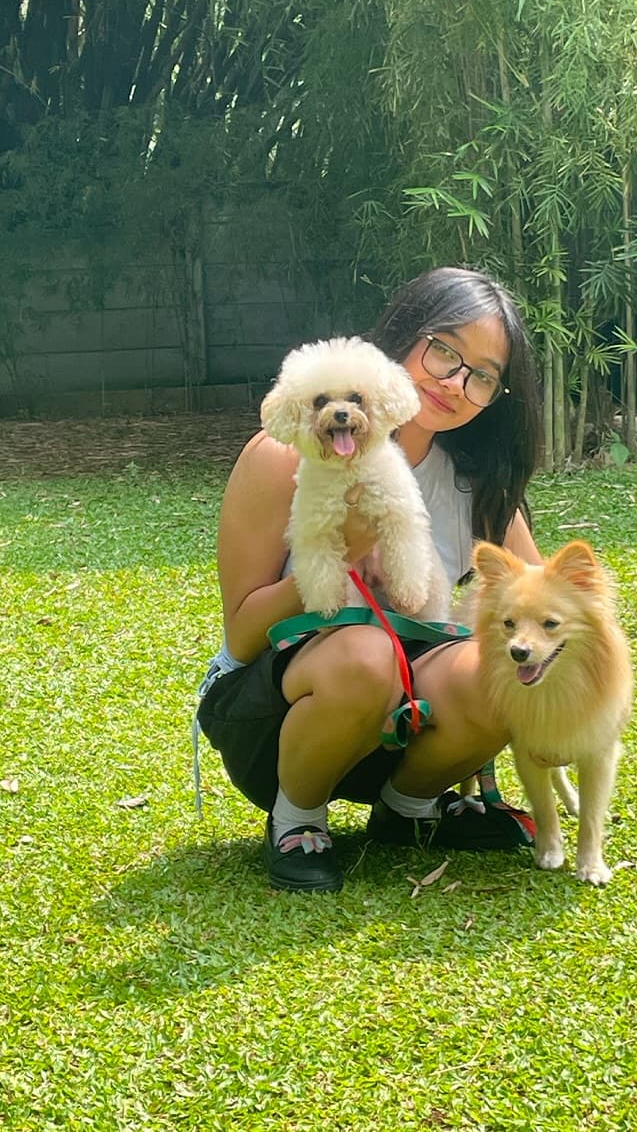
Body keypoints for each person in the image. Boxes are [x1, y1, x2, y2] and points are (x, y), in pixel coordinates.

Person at [196, 266, 544, 891]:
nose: (456, 383)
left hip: (406, 727)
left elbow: (544, 604)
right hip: (276, 722)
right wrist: (345, 550)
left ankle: (409, 810)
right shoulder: (281, 459)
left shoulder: (476, 483)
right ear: (405, 336)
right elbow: (244, 638)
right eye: (444, 351)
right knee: (364, 652)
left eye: (483, 375)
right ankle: (299, 819)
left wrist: (563, 692)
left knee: (505, 668)